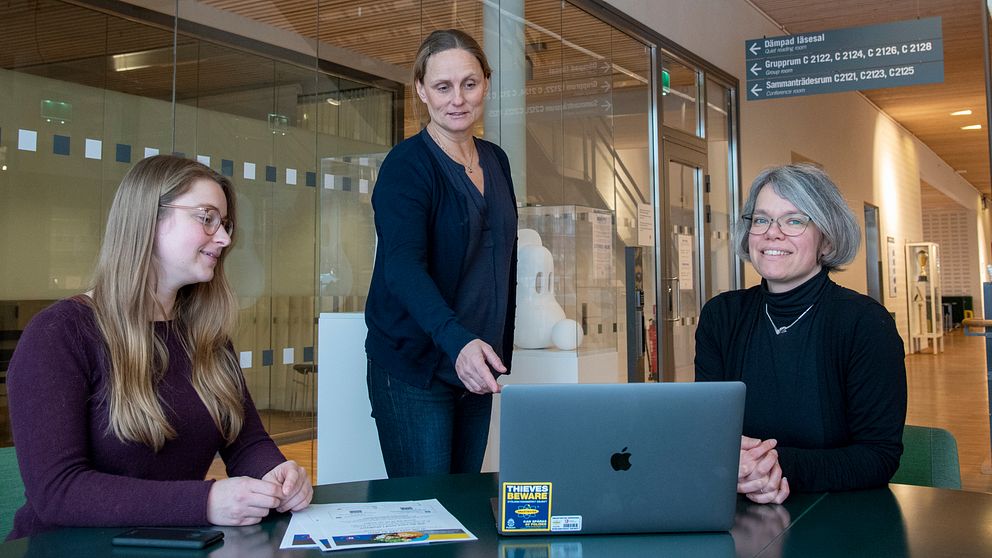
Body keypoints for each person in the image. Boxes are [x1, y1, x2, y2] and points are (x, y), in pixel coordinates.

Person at [6, 155, 312, 540]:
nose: (225, 238)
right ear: (148, 220)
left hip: (170, 544)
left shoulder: (206, 335)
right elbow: (59, 492)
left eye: (225, 223)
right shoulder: (59, 334)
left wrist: (275, 473)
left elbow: (245, 441)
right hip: (64, 549)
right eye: (207, 217)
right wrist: (205, 502)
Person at [695, 163, 907, 503]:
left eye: (794, 220)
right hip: (736, 510)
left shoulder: (865, 323)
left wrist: (776, 465)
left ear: (826, 239)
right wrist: (730, 464)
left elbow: (878, 456)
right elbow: (708, 432)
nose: (772, 233)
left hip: (839, 519)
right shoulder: (721, 316)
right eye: (761, 219)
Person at [365, 29, 518, 478]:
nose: (458, 99)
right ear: (421, 90)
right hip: (418, 366)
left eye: (469, 84)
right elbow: (403, 267)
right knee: (426, 517)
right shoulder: (407, 165)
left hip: (475, 365)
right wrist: (459, 342)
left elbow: (500, 259)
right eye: (442, 87)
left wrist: (488, 347)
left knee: (465, 506)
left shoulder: (496, 160)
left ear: (486, 83)